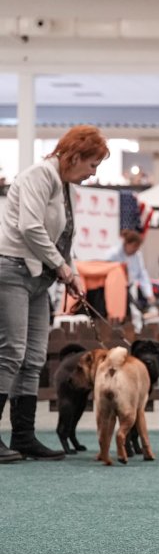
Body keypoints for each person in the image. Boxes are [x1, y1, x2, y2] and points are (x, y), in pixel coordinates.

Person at [0, 125, 106, 462]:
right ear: (74, 156)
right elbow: (30, 227)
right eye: (92, 164)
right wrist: (61, 267)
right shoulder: (39, 176)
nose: (93, 172)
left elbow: (62, 238)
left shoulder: (65, 186)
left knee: (33, 358)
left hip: (38, 278)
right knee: (11, 353)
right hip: (12, 271)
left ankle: (23, 437)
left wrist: (69, 271)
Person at [101, 229, 155, 331]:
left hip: (131, 286)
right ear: (127, 244)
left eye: (138, 247)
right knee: (116, 311)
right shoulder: (112, 254)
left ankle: (136, 331)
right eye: (134, 246)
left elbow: (142, 274)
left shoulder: (137, 255)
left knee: (135, 312)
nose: (136, 249)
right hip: (115, 288)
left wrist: (149, 293)